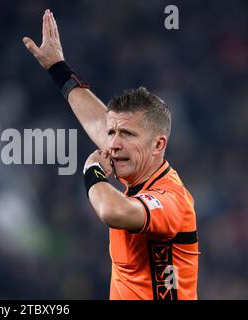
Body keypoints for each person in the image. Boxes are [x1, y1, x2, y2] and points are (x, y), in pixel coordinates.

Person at [23, 9, 200, 300]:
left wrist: (92, 170)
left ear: (158, 145)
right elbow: (99, 123)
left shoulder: (171, 200)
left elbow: (112, 211)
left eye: (127, 135)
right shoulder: (136, 168)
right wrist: (58, 68)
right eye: (113, 133)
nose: (113, 143)